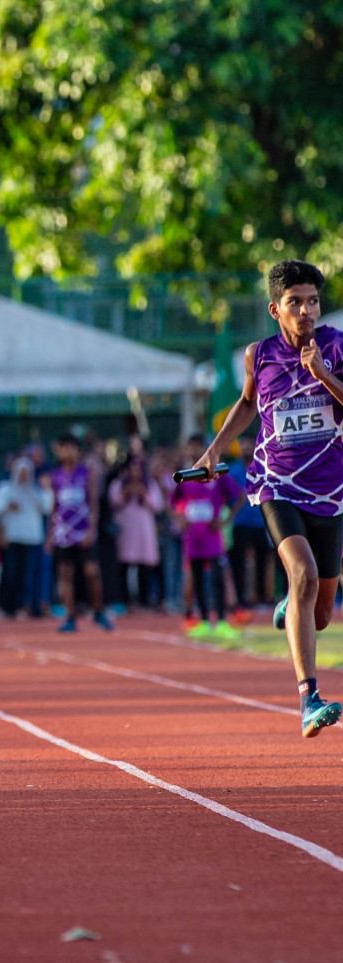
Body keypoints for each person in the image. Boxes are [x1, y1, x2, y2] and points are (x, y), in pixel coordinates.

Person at [194, 260, 343, 737]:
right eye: (295, 303)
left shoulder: (337, 348)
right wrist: (214, 450)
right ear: (275, 309)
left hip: (332, 492)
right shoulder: (258, 355)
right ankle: (308, 698)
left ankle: (290, 604)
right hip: (276, 483)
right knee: (302, 573)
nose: (306, 311)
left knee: (320, 614)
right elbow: (246, 403)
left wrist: (322, 374)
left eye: (313, 301)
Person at [171, 449, 241, 640]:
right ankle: (202, 621)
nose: (194, 455)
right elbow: (172, 502)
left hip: (213, 537)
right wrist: (180, 519)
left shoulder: (215, 474)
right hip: (193, 539)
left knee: (218, 579)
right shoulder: (185, 477)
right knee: (197, 579)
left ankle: (221, 621)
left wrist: (226, 519)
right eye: (190, 450)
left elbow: (239, 495)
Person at [48, 434, 113, 632]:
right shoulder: (56, 476)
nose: (67, 452)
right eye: (63, 447)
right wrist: (50, 534)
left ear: (78, 451)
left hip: (83, 531)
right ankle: (70, 617)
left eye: (71, 447)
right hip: (63, 533)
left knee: (92, 572)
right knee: (65, 575)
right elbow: (54, 506)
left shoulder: (86, 473)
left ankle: (98, 611)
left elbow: (93, 503)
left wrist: (91, 530)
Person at [0, 457, 51, 618]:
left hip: (32, 539)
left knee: (29, 575)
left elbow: (48, 507)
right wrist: (7, 506)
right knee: (10, 574)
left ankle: (26, 606)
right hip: (11, 538)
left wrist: (45, 489)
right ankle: (7, 607)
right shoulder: (6, 489)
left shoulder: (36, 490)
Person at [108, 456, 163, 610]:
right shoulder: (119, 484)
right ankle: (125, 600)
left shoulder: (149, 484)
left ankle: (144, 600)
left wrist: (143, 493)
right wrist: (126, 493)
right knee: (124, 566)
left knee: (144, 567)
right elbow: (112, 501)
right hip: (126, 529)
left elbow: (158, 505)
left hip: (144, 530)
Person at [227, 436, 273, 618]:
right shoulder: (232, 471)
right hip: (240, 523)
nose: (246, 447)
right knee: (238, 563)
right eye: (243, 444)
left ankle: (261, 598)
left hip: (261, 521)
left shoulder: (263, 468)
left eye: (249, 444)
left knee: (262, 561)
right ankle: (240, 599)